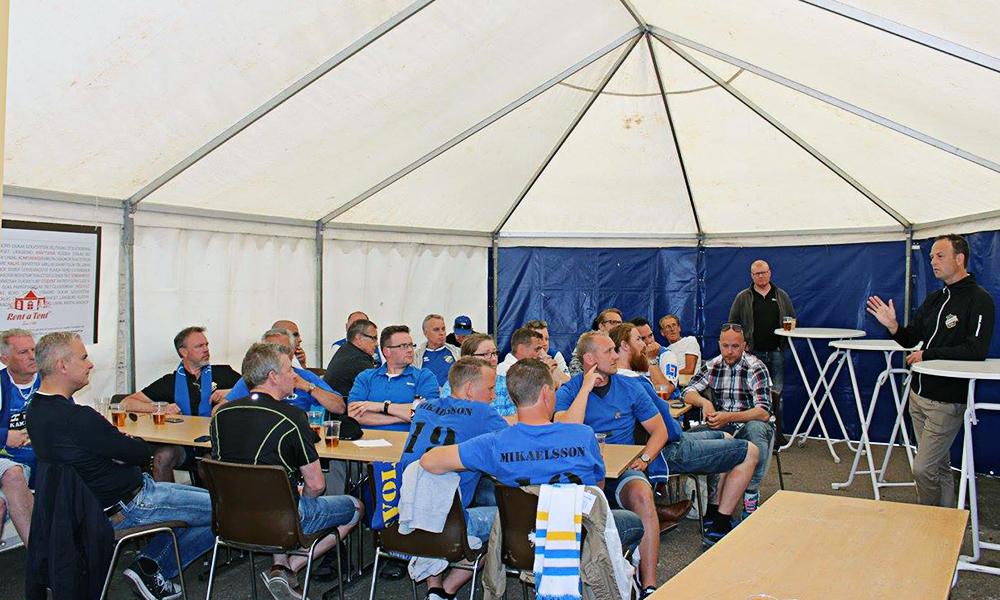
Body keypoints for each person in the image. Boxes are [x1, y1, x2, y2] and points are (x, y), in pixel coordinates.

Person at [28, 332, 213, 600]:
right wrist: (121, 446)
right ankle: (153, 566)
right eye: (83, 357)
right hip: (131, 505)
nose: (90, 364)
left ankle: (150, 565)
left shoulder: (36, 410)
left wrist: (115, 449)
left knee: (212, 503)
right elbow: (139, 451)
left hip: (89, 510)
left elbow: (119, 452)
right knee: (226, 509)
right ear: (62, 366)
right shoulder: (79, 418)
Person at [420, 358, 644, 563]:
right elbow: (597, 491)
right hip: (579, 537)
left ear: (512, 396)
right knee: (633, 522)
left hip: (521, 542)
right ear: (546, 392)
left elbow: (429, 461)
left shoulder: (492, 444)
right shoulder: (584, 435)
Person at [211, 343, 363, 599]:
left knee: (278, 498)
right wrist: (301, 499)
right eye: (289, 370)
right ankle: (288, 569)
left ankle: (280, 566)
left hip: (230, 517)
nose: (294, 375)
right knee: (356, 507)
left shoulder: (222, 414)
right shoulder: (292, 417)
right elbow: (316, 485)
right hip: (280, 518)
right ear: (273, 377)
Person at [866, 233, 995, 507]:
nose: (933, 262)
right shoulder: (935, 299)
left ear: (959, 259)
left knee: (922, 468)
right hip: (919, 396)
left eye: (940, 256)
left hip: (947, 400)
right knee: (940, 466)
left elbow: (976, 351)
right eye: (932, 256)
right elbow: (912, 338)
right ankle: (945, 524)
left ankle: (928, 521)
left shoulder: (979, 300)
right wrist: (893, 327)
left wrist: (928, 354)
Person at [610, 324, 758, 546]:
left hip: (651, 448)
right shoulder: (636, 383)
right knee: (750, 451)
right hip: (664, 451)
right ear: (624, 346)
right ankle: (720, 524)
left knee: (726, 437)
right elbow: (669, 430)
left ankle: (713, 510)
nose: (645, 345)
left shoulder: (616, 379)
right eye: (639, 340)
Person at [555, 331, 667, 596]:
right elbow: (563, 429)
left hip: (622, 472)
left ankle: (649, 584)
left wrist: (644, 458)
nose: (617, 356)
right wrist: (585, 387)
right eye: (609, 352)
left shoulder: (630, 386)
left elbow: (659, 430)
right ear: (589, 358)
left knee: (642, 494)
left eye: (616, 350)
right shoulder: (570, 390)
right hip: (583, 476)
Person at [397, 357, 508, 600]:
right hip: (452, 522)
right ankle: (446, 591)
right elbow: (513, 448)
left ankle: (434, 589)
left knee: (432, 491)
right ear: (470, 389)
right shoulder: (482, 412)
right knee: (509, 518)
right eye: (490, 389)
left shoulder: (424, 408)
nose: (493, 396)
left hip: (405, 515)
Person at [122, 327, 241, 482]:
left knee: (208, 464)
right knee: (162, 458)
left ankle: (214, 505)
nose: (206, 349)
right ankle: (168, 504)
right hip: (183, 445)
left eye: (206, 345)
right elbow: (127, 403)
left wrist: (231, 393)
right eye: (199, 346)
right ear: (183, 352)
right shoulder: (170, 382)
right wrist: (160, 408)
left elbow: (259, 390)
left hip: (215, 443)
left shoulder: (224, 372)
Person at [682, 323, 774, 519]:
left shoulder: (756, 368)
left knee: (757, 430)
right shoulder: (712, 364)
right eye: (725, 346)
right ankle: (709, 503)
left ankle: (750, 493)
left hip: (748, 422)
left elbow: (763, 412)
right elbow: (687, 391)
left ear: (745, 346)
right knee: (685, 439)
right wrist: (704, 403)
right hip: (724, 423)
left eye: (735, 346)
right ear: (719, 345)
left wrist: (728, 416)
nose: (729, 352)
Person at [226, 329, 343, 414]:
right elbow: (220, 410)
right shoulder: (256, 377)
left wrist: (308, 387)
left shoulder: (304, 376)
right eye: (271, 349)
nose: (278, 353)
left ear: (293, 351)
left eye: (283, 349)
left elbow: (339, 407)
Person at [346, 325, 439, 431]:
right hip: (367, 442)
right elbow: (354, 415)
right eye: (403, 346)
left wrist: (381, 407)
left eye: (411, 345)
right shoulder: (366, 377)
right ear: (386, 351)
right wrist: (405, 416)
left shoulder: (424, 376)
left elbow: (428, 414)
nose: (410, 350)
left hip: (407, 443)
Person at [727, 261, 795, 392]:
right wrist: (741, 344)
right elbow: (732, 324)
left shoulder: (781, 296)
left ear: (769, 273)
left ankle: (774, 413)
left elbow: (791, 318)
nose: (761, 276)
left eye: (763, 273)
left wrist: (784, 342)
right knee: (751, 391)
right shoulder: (743, 297)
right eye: (757, 274)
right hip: (752, 353)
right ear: (752, 276)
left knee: (776, 393)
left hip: (776, 353)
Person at [0, 328, 37, 546]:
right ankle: (39, 559)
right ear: (5, 359)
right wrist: (5, 436)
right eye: (23, 352)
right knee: (13, 474)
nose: (32, 356)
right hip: (9, 461)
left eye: (33, 349)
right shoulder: (2, 384)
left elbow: (69, 417)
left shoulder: (48, 381)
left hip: (43, 461)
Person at [442, 333, 517, 422]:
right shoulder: (453, 386)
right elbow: (453, 420)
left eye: (494, 353)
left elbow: (518, 418)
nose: (494, 359)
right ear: (468, 359)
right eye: (486, 354)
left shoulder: (506, 383)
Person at [323, 318, 378, 403]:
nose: (376, 344)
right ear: (359, 338)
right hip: (345, 412)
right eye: (373, 338)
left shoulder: (346, 349)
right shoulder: (359, 360)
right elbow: (376, 390)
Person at [568, 308, 623, 375]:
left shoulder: (624, 343)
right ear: (601, 326)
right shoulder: (590, 341)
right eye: (613, 322)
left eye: (619, 323)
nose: (617, 326)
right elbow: (575, 367)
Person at [412, 314, 460, 388]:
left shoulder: (457, 353)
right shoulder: (416, 357)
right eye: (436, 330)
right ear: (425, 332)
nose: (441, 333)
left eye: (443, 329)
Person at [523, 319, 570, 386]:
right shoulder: (518, 357)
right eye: (540, 340)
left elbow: (569, 385)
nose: (545, 343)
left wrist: (553, 367)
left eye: (547, 339)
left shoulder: (555, 355)